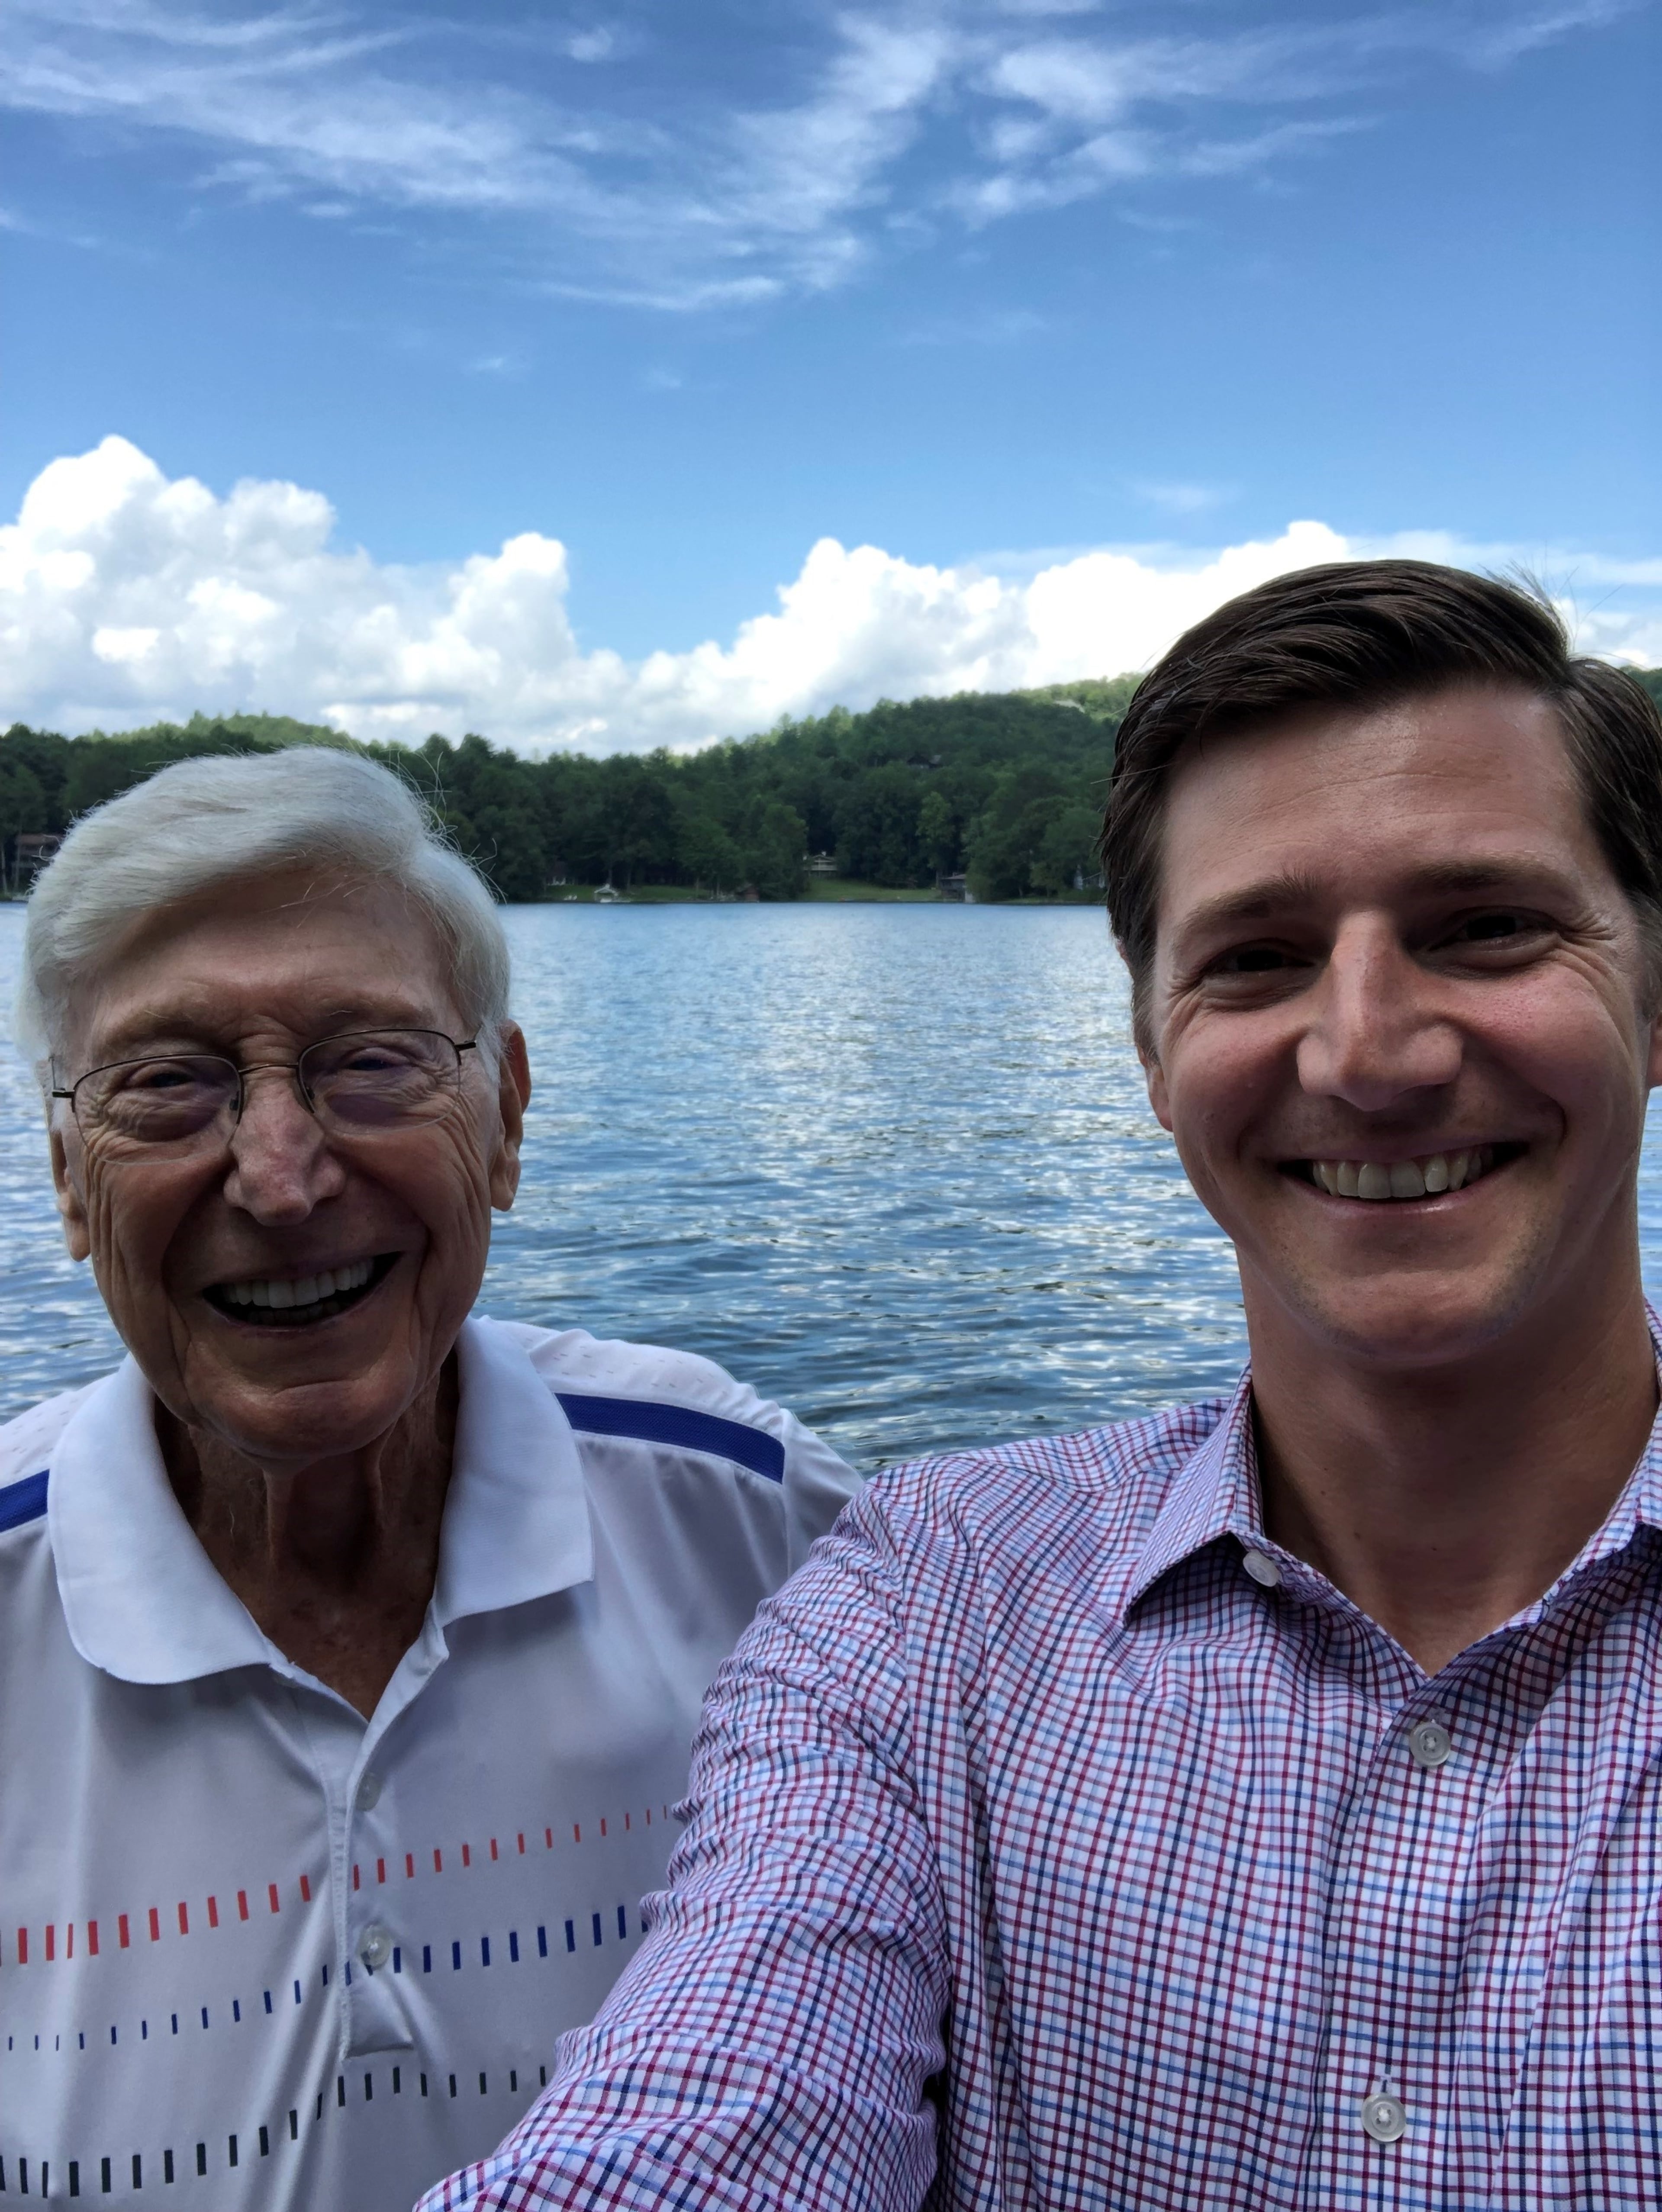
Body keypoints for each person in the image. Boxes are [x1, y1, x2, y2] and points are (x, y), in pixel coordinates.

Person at [422, 561, 1662, 2212]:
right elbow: (716, 2102)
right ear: (1153, 1054)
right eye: (1259, 958)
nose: (1369, 1050)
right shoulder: (931, 1603)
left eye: (1488, 928)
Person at [0, 749, 857, 2211]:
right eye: (168, 1084)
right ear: (71, 1174)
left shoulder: (756, 1517)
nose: (279, 1176)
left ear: (507, 1114)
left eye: (372, 1062)